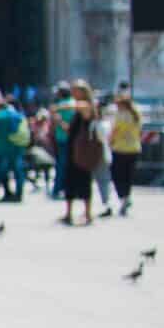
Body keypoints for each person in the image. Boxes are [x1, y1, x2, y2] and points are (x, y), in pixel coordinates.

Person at [59, 81, 100, 226]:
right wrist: (60, 122)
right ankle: (68, 212)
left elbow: (83, 107)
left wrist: (61, 106)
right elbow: (70, 130)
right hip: (72, 149)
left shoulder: (87, 107)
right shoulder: (77, 109)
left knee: (84, 180)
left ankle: (88, 212)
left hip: (83, 151)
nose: (73, 93)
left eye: (76, 91)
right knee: (69, 181)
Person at [106, 90, 144, 216]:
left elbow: (115, 131)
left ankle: (123, 197)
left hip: (120, 148)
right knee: (128, 176)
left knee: (117, 175)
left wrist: (109, 142)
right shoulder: (137, 115)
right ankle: (126, 197)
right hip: (134, 148)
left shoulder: (120, 115)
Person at [0, 90, 28, 204]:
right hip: (17, 146)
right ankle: (18, 195)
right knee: (18, 172)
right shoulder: (16, 114)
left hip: (1, 148)